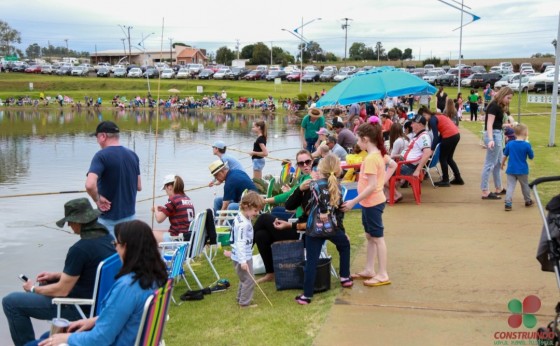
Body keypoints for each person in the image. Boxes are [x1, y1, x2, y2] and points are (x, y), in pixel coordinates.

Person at [32, 220, 168, 346]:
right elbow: (132, 315)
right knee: (47, 335)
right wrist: (94, 320)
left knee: (41, 341)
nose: (115, 249)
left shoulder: (127, 287)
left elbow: (101, 339)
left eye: (116, 244)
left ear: (126, 247)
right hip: (130, 337)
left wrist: (66, 339)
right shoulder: (155, 277)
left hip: (115, 341)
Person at [2, 198, 115, 346]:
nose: (69, 225)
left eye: (70, 221)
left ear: (78, 222)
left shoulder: (80, 249)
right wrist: (56, 275)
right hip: (99, 303)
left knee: (11, 302)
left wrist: (34, 289)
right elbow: (91, 271)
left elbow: (62, 290)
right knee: (49, 283)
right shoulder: (107, 237)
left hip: (79, 308)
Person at [274, 154, 352, 305]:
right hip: (333, 227)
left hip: (314, 229)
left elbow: (304, 205)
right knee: (344, 246)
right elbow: (339, 212)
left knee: (311, 261)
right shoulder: (339, 187)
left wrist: (299, 190)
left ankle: (307, 295)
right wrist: (342, 230)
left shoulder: (315, 185)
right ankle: (345, 277)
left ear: (321, 169)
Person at [342, 123, 396, 287]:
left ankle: (382, 274)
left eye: (358, 138)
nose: (356, 142)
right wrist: (382, 181)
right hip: (370, 202)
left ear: (365, 139)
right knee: (370, 236)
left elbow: (372, 186)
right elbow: (393, 165)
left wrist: (353, 201)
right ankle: (369, 269)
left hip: (372, 203)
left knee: (378, 238)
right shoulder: (377, 154)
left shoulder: (373, 158)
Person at [255, 150, 314, 283]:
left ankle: (243, 251)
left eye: (307, 162)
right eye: (301, 163)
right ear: (298, 165)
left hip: (303, 232)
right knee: (261, 235)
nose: (305, 165)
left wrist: (264, 201)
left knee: (264, 218)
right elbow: (290, 196)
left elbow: (289, 200)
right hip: (298, 225)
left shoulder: (311, 181)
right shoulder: (304, 179)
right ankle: (271, 273)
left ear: (313, 161)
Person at [85, 121, 142, 237]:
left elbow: (90, 185)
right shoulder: (133, 155)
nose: (97, 140)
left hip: (108, 222)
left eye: (97, 137)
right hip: (131, 219)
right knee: (128, 253)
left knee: (108, 254)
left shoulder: (101, 156)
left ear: (103, 136)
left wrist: (97, 198)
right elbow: (138, 186)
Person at [231, 191, 265, 308]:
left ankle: (240, 297)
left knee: (244, 278)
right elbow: (240, 242)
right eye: (255, 211)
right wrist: (243, 261)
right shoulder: (243, 224)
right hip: (243, 256)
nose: (257, 213)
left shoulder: (241, 217)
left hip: (241, 255)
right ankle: (244, 303)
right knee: (249, 280)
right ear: (246, 206)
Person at [481, 87, 513, 200]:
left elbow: (496, 124)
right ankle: (485, 190)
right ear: (503, 95)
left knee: (498, 163)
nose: (509, 101)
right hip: (494, 136)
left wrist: (507, 125)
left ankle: (498, 187)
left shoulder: (497, 106)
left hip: (497, 133)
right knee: (490, 164)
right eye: (508, 98)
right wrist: (490, 140)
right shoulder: (494, 106)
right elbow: (489, 124)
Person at [420, 107, 464, 186]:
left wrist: (432, 149)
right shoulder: (438, 115)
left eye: (424, 116)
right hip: (456, 135)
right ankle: (458, 178)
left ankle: (445, 180)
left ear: (427, 114)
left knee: (443, 158)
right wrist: (436, 144)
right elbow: (440, 135)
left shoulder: (432, 120)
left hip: (449, 136)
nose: (424, 119)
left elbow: (436, 137)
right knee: (449, 158)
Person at [152, 174, 196, 243]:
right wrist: (163, 209)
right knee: (162, 231)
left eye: (165, 189)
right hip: (189, 237)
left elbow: (159, 219)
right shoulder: (187, 198)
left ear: (169, 187)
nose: (166, 192)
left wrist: (155, 209)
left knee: (150, 234)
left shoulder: (172, 199)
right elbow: (178, 212)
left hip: (178, 238)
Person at [501, 124, 534, 211]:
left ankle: (508, 203)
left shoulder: (510, 144)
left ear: (514, 133)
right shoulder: (527, 145)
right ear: (526, 133)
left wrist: (502, 164)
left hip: (511, 169)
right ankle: (527, 200)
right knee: (525, 186)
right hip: (522, 170)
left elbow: (505, 155)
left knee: (510, 186)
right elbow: (531, 156)